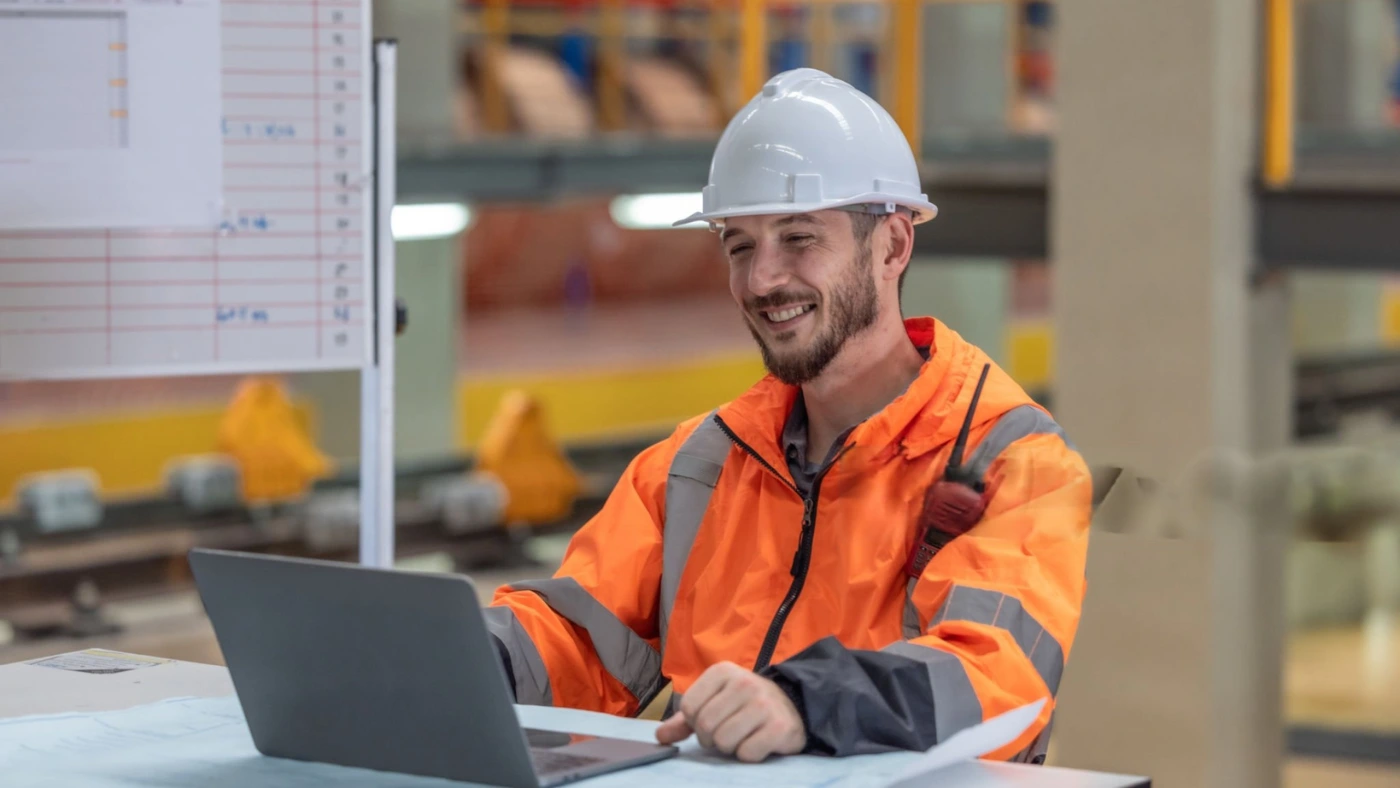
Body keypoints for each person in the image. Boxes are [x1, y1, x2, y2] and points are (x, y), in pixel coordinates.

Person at [485, 68, 1092, 764]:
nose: (762, 279)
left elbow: (992, 674)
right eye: (740, 245)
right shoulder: (698, 467)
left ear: (892, 246)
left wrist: (804, 702)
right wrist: (456, 659)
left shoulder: (1014, 460)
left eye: (798, 238)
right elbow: (576, 640)